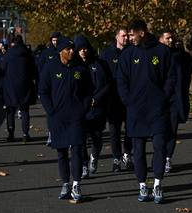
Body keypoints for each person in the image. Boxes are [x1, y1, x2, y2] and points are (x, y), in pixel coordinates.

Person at [117, 20, 177, 204]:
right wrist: (128, 101)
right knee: (139, 151)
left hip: (158, 111)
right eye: (126, 35)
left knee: (159, 146)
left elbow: (171, 77)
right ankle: (143, 185)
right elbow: (121, 80)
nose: (129, 38)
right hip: (136, 111)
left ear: (141, 33)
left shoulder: (162, 52)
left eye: (131, 34)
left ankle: (158, 184)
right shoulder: (128, 54)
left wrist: (163, 98)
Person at [39, 36, 93, 202]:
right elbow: (43, 91)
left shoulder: (80, 68)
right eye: (68, 49)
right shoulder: (50, 68)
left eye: (72, 49)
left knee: (77, 149)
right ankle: (65, 183)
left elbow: (88, 91)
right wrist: (51, 110)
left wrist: (83, 109)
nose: (71, 52)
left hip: (76, 117)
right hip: (57, 117)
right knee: (61, 151)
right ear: (60, 51)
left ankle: (76, 183)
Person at [74, 34, 109, 178]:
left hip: (97, 107)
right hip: (80, 108)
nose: (83, 51)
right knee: (80, 139)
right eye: (80, 49)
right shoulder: (74, 66)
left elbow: (106, 84)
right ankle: (83, 164)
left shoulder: (98, 64)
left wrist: (97, 98)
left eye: (85, 48)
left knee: (96, 137)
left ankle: (94, 157)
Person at [158, 31, 192, 173]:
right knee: (159, 131)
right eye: (167, 38)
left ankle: (167, 157)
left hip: (174, 100)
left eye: (172, 37)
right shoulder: (155, 55)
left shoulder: (181, 56)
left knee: (172, 129)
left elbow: (187, 72)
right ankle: (160, 155)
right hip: (158, 100)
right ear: (160, 39)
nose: (171, 40)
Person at [99, 28, 133, 172]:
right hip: (113, 99)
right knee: (114, 131)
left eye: (127, 36)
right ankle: (116, 158)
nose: (126, 38)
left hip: (129, 98)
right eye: (123, 35)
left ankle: (127, 154)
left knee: (130, 129)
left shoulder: (133, 52)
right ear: (117, 37)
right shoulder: (107, 54)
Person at [1, 35, 37, 143]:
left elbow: (2, 69)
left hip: (10, 86)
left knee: (10, 111)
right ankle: (25, 134)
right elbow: (33, 70)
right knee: (25, 110)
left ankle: (11, 134)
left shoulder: (8, 54)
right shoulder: (28, 54)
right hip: (25, 85)